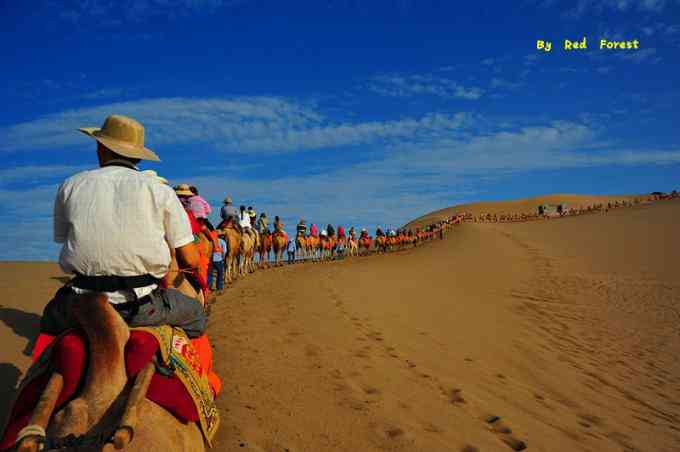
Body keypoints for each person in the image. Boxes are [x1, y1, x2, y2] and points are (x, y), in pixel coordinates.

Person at [43, 114, 207, 338]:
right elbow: (190, 259)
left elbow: (63, 237)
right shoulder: (160, 190)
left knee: (48, 321)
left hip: (80, 302)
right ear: (137, 156)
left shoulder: (70, 185)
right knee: (197, 315)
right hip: (141, 305)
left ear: (101, 148)